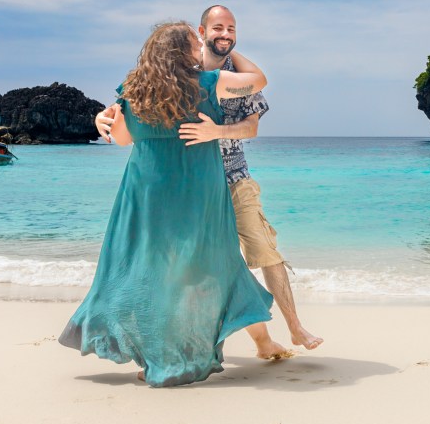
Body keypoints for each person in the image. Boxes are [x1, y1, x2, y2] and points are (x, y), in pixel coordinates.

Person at [97, 5, 322, 359]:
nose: (226, 34)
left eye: (231, 29)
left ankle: (291, 327)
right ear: (200, 34)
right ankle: (243, 342)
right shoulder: (179, 75)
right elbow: (126, 109)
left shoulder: (228, 75)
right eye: (218, 28)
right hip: (193, 187)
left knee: (260, 252)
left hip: (230, 178)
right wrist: (104, 114)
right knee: (215, 266)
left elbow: (252, 126)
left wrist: (217, 130)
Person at [60, 21, 273, 387]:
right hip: (196, 187)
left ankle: (157, 353)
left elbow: (123, 140)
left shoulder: (133, 90)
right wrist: (227, 47)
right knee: (205, 266)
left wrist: (106, 118)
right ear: (184, 51)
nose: (200, 47)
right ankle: (182, 353)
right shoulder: (211, 83)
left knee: (147, 270)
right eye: (196, 42)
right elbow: (259, 79)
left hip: (145, 191)